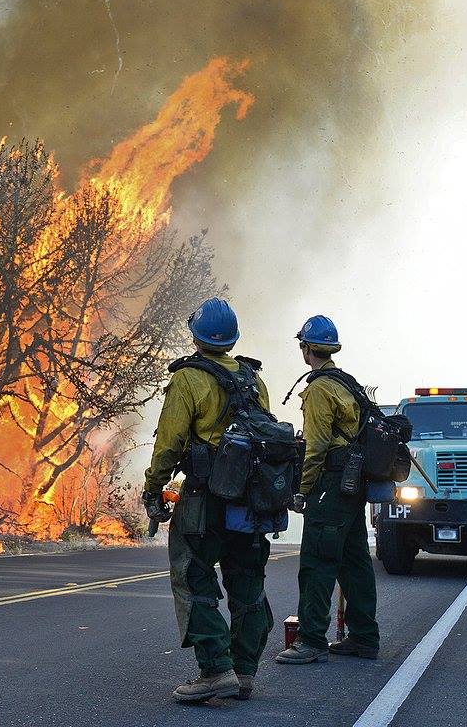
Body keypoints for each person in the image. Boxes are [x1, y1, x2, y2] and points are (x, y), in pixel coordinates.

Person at [142, 298, 275, 702]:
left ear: (196, 335)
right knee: (247, 581)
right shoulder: (254, 379)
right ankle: (244, 672)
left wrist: (154, 487)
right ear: (233, 337)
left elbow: (170, 442)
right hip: (250, 503)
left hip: (205, 500)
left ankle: (217, 670)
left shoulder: (188, 379)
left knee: (193, 577)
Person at [275, 315, 380, 664]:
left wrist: (301, 490)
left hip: (331, 486)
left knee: (318, 561)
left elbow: (317, 445)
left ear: (307, 349)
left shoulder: (320, 388)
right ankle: (364, 637)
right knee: (354, 563)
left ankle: (311, 640)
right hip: (352, 486)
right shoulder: (346, 382)